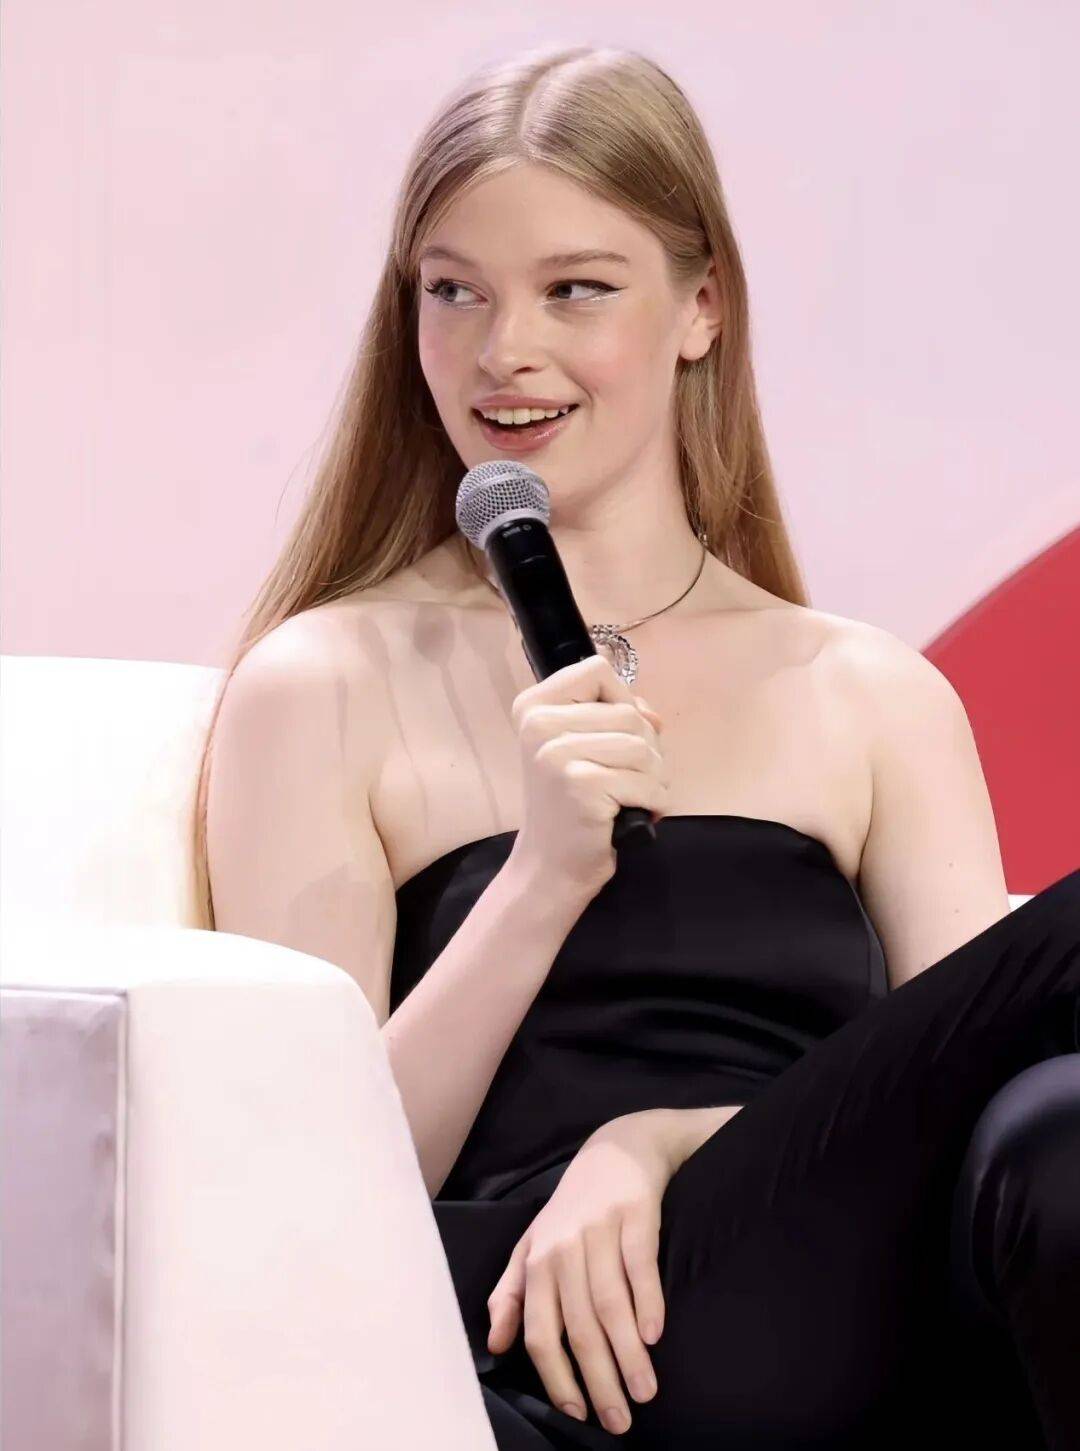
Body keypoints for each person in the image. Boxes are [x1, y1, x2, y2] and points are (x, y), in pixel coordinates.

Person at [196, 44, 1080, 1449]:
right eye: (454, 291)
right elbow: (312, 1186)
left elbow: (962, 1081)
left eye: (576, 290)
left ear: (700, 308)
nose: (505, 350)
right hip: (540, 1332)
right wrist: (540, 878)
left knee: (1060, 1130)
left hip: (835, 1309)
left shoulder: (869, 694)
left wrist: (656, 1144)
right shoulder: (324, 681)